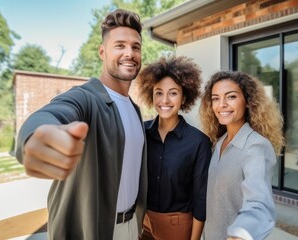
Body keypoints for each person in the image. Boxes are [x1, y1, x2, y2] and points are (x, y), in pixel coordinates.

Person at [15, 9, 147, 240]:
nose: (130, 53)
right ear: (102, 52)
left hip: (130, 227)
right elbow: (54, 113)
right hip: (91, 232)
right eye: (120, 46)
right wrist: (34, 137)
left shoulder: (135, 110)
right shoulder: (86, 98)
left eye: (135, 47)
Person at [199, 71, 284, 240]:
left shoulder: (256, 147)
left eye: (230, 97)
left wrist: (243, 233)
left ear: (247, 102)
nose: (221, 104)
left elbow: (259, 202)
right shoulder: (217, 142)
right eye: (215, 98)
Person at [136, 55, 212, 240]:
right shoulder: (140, 132)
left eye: (173, 93)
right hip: (142, 222)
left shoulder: (198, 142)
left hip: (177, 227)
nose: (165, 100)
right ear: (151, 95)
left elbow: (200, 197)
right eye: (159, 92)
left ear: (184, 96)